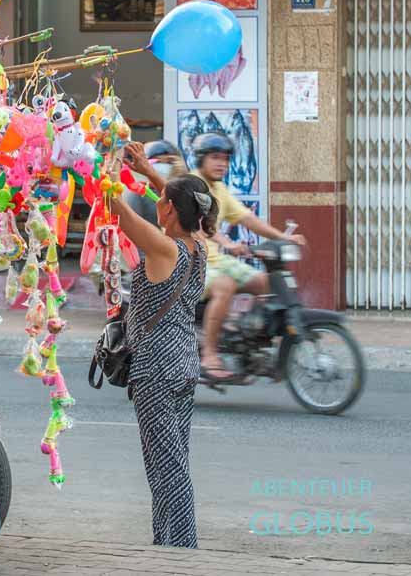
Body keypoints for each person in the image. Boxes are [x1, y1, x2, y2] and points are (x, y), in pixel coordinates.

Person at [112, 142, 218, 549]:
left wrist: (94, 165)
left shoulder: (162, 247)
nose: (157, 200)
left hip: (156, 369)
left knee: (167, 468)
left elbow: (119, 212)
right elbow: (181, 198)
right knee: (170, 462)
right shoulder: (198, 248)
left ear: (170, 209)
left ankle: (181, 551)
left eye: (162, 199)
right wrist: (147, 172)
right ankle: (167, 545)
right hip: (184, 366)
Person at [190, 133, 306, 380]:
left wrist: (283, 238)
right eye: (215, 158)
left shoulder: (219, 189)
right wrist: (227, 242)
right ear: (201, 159)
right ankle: (210, 355)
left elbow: (247, 219)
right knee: (226, 286)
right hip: (190, 263)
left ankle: (244, 340)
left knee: (268, 282)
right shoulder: (191, 185)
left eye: (225, 159)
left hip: (217, 261)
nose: (221, 163)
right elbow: (194, 225)